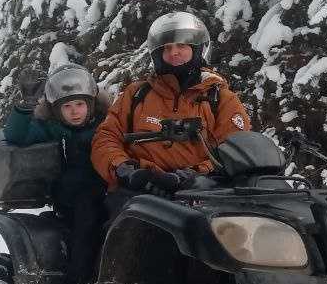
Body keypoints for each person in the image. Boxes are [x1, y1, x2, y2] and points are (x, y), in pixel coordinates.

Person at [91, 11, 251, 208]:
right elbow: (106, 137)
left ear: (198, 49)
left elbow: (236, 150)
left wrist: (192, 175)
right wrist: (124, 169)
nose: (174, 52)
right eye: (167, 48)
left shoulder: (219, 98)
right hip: (140, 190)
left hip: (202, 192)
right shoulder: (136, 95)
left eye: (181, 46)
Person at [4, 63, 110, 284]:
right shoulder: (51, 128)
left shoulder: (106, 125)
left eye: (80, 104)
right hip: (72, 195)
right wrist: (27, 106)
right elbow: (17, 135)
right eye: (68, 106)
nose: (74, 111)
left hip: (109, 187)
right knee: (87, 220)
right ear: (56, 110)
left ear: (91, 104)